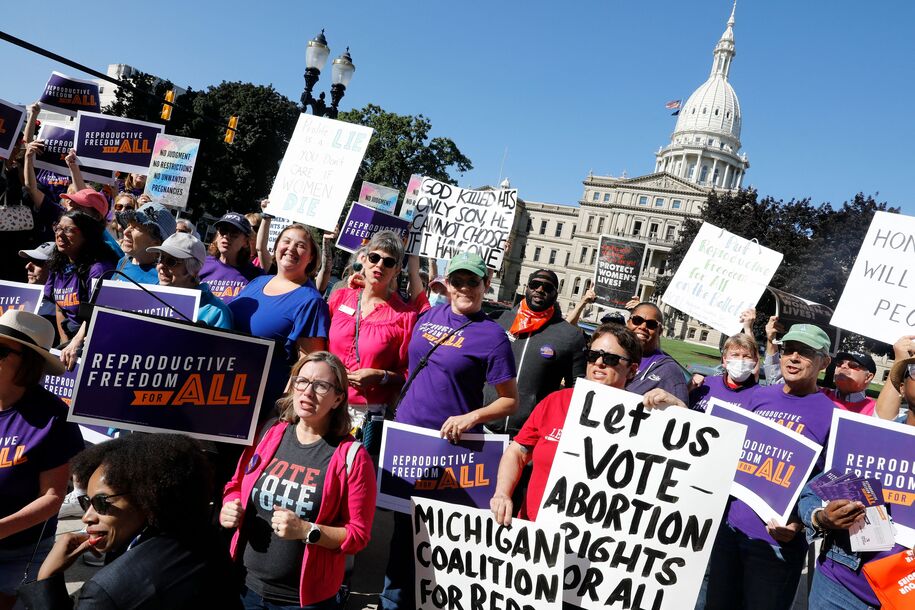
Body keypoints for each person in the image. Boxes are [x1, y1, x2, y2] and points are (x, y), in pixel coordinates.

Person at [381, 251, 519, 610]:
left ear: (486, 285)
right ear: (447, 284)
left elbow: (509, 402)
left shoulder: (492, 336)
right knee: (400, 539)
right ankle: (391, 603)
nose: (465, 288)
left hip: (450, 449)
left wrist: (471, 418)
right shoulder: (429, 314)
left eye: (473, 281)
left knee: (433, 544)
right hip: (407, 441)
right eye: (458, 281)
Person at [220, 352, 376, 609]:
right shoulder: (270, 432)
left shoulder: (351, 456)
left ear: (338, 398)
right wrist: (230, 505)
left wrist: (306, 531)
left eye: (321, 385)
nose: (308, 392)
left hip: (301, 601)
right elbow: (235, 486)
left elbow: (357, 535)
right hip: (244, 587)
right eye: (301, 381)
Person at [490, 323, 685, 525]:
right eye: (593, 356)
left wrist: (678, 410)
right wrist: (503, 493)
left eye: (610, 359)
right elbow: (517, 452)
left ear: (632, 370)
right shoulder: (557, 401)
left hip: (593, 546)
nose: (599, 363)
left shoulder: (645, 418)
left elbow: (680, 467)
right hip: (533, 530)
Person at [20, 433, 240, 609]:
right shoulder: (206, 538)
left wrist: (46, 578)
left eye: (102, 503)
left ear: (146, 500)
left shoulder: (106, 593)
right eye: (86, 501)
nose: (86, 516)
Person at [706, 323, 836, 610]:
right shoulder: (760, 396)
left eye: (804, 353)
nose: (792, 357)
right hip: (730, 529)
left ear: (824, 362)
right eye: (788, 350)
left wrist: (800, 525)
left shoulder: (832, 415)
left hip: (778, 543)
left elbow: (828, 484)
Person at [0, 311, 83, 609]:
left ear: (27, 363)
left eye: (0, 350)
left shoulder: (52, 417)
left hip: (21, 555)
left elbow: (52, 497)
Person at [327, 231, 418, 454]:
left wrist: (380, 376)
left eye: (389, 262)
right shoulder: (339, 297)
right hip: (326, 403)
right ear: (364, 259)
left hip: (366, 416)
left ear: (397, 270)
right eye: (375, 257)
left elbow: (410, 373)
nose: (380, 265)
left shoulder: (405, 317)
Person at [229, 223, 330, 415]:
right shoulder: (257, 282)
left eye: (300, 245)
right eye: (287, 241)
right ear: (276, 247)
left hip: (261, 406)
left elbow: (308, 365)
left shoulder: (311, 302)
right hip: (220, 391)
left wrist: (280, 411)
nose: (291, 248)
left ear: (311, 258)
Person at [484, 269, 587, 436]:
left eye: (547, 287)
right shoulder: (498, 320)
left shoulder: (570, 336)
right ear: (526, 288)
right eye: (535, 285)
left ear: (556, 294)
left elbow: (576, 389)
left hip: (529, 437)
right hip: (484, 427)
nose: (540, 290)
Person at [44, 210, 119, 342]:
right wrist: (65, 343)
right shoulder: (59, 264)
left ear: (86, 235)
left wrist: (75, 345)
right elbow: (60, 309)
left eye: (68, 230)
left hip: (91, 338)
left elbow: (97, 315)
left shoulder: (98, 269)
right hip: (69, 339)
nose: (60, 234)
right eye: (58, 228)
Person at [148, 233, 233, 329]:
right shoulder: (149, 295)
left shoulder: (216, 312)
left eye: (171, 261)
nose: (160, 266)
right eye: (160, 258)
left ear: (194, 270)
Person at [624, 302, 689, 403]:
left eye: (651, 324)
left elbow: (683, 413)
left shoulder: (669, 371)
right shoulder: (610, 354)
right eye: (637, 320)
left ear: (660, 331)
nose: (643, 327)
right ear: (628, 322)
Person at [201, 212, 264, 304]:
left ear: (246, 242)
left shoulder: (256, 275)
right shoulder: (201, 265)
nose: (226, 236)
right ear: (217, 236)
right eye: (223, 231)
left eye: (234, 232)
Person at [689, 332, 761, 412]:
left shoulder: (759, 396)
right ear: (724, 359)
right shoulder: (704, 384)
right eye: (735, 355)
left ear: (755, 361)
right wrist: (688, 388)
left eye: (747, 356)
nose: (740, 360)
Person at [114, 201, 176, 284]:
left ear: (156, 242)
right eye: (128, 226)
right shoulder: (123, 262)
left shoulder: (162, 276)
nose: (125, 232)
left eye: (135, 227)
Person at [18, 242, 57, 322]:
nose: (27, 266)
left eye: (37, 262)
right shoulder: (18, 299)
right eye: (30, 260)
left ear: (55, 268)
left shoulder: (63, 305)